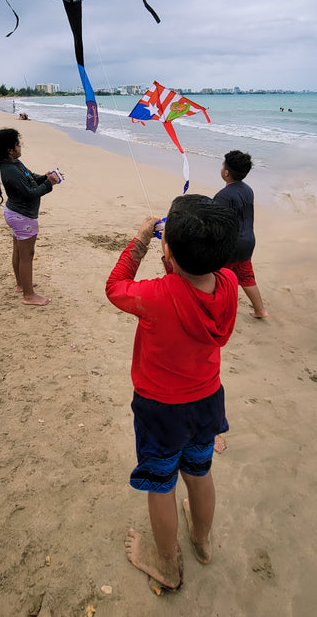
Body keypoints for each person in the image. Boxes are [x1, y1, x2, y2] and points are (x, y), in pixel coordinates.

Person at [106, 195, 240, 592]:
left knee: (161, 485)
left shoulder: (154, 296)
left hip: (161, 411)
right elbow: (193, 281)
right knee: (199, 473)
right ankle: (201, 540)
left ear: (169, 251)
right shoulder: (230, 283)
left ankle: (166, 563)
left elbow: (115, 287)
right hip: (207, 403)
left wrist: (143, 239)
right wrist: (172, 255)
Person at [0, 128, 60, 306]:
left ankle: (21, 284)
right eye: (18, 144)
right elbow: (30, 194)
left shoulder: (14, 163)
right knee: (27, 255)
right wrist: (49, 185)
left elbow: (31, 177)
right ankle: (29, 295)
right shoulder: (9, 170)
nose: (20, 147)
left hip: (17, 214)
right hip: (23, 217)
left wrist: (45, 177)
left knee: (19, 250)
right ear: (10, 150)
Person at [214, 150, 268, 318]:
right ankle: (260, 311)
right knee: (246, 277)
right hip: (248, 241)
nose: (222, 167)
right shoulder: (248, 190)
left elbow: (218, 224)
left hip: (230, 244)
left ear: (226, 172)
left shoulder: (223, 196)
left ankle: (219, 312)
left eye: (223, 165)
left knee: (219, 277)